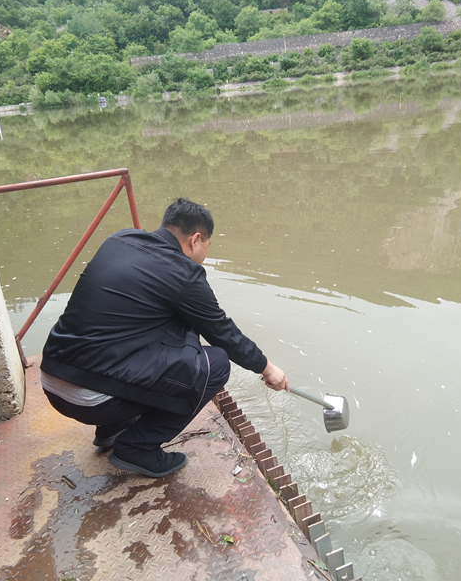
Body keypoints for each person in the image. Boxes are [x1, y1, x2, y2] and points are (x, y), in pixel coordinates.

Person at [40, 198, 289, 478]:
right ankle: (137, 448)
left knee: (140, 331)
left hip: (52, 378)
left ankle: (111, 429)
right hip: (91, 398)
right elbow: (223, 334)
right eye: (207, 245)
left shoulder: (120, 239)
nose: (205, 252)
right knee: (215, 365)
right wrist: (268, 369)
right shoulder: (184, 273)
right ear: (196, 240)